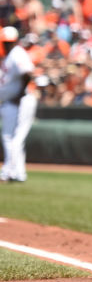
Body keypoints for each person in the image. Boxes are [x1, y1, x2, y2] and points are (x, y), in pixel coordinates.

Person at [0, 27, 37, 183]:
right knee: (13, 138)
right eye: (5, 42)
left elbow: (27, 73)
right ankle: (18, 173)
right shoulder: (9, 55)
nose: (7, 44)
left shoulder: (17, 52)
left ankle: (10, 171)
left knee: (14, 138)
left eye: (9, 42)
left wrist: (19, 94)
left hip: (22, 99)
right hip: (14, 100)